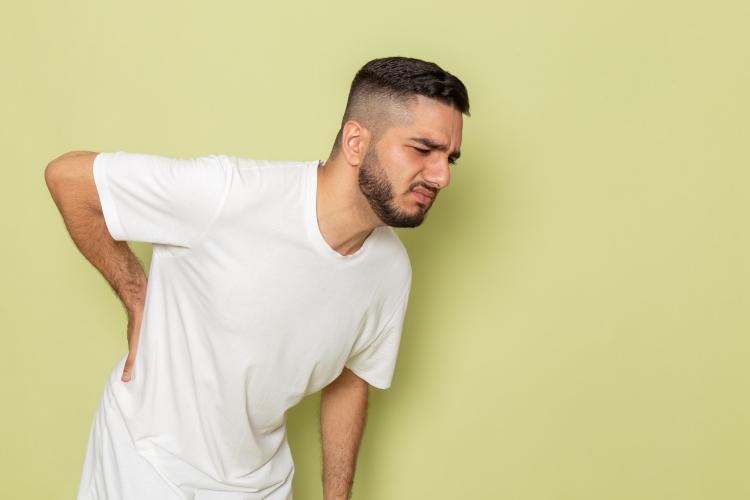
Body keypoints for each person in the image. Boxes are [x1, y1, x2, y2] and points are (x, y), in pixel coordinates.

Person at [45, 55, 469, 500]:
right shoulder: (227, 194)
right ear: (356, 141)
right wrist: (137, 299)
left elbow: (350, 379)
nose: (441, 177)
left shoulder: (390, 271)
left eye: (449, 159)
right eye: (423, 150)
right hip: (147, 463)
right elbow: (67, 178)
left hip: (260, 483)